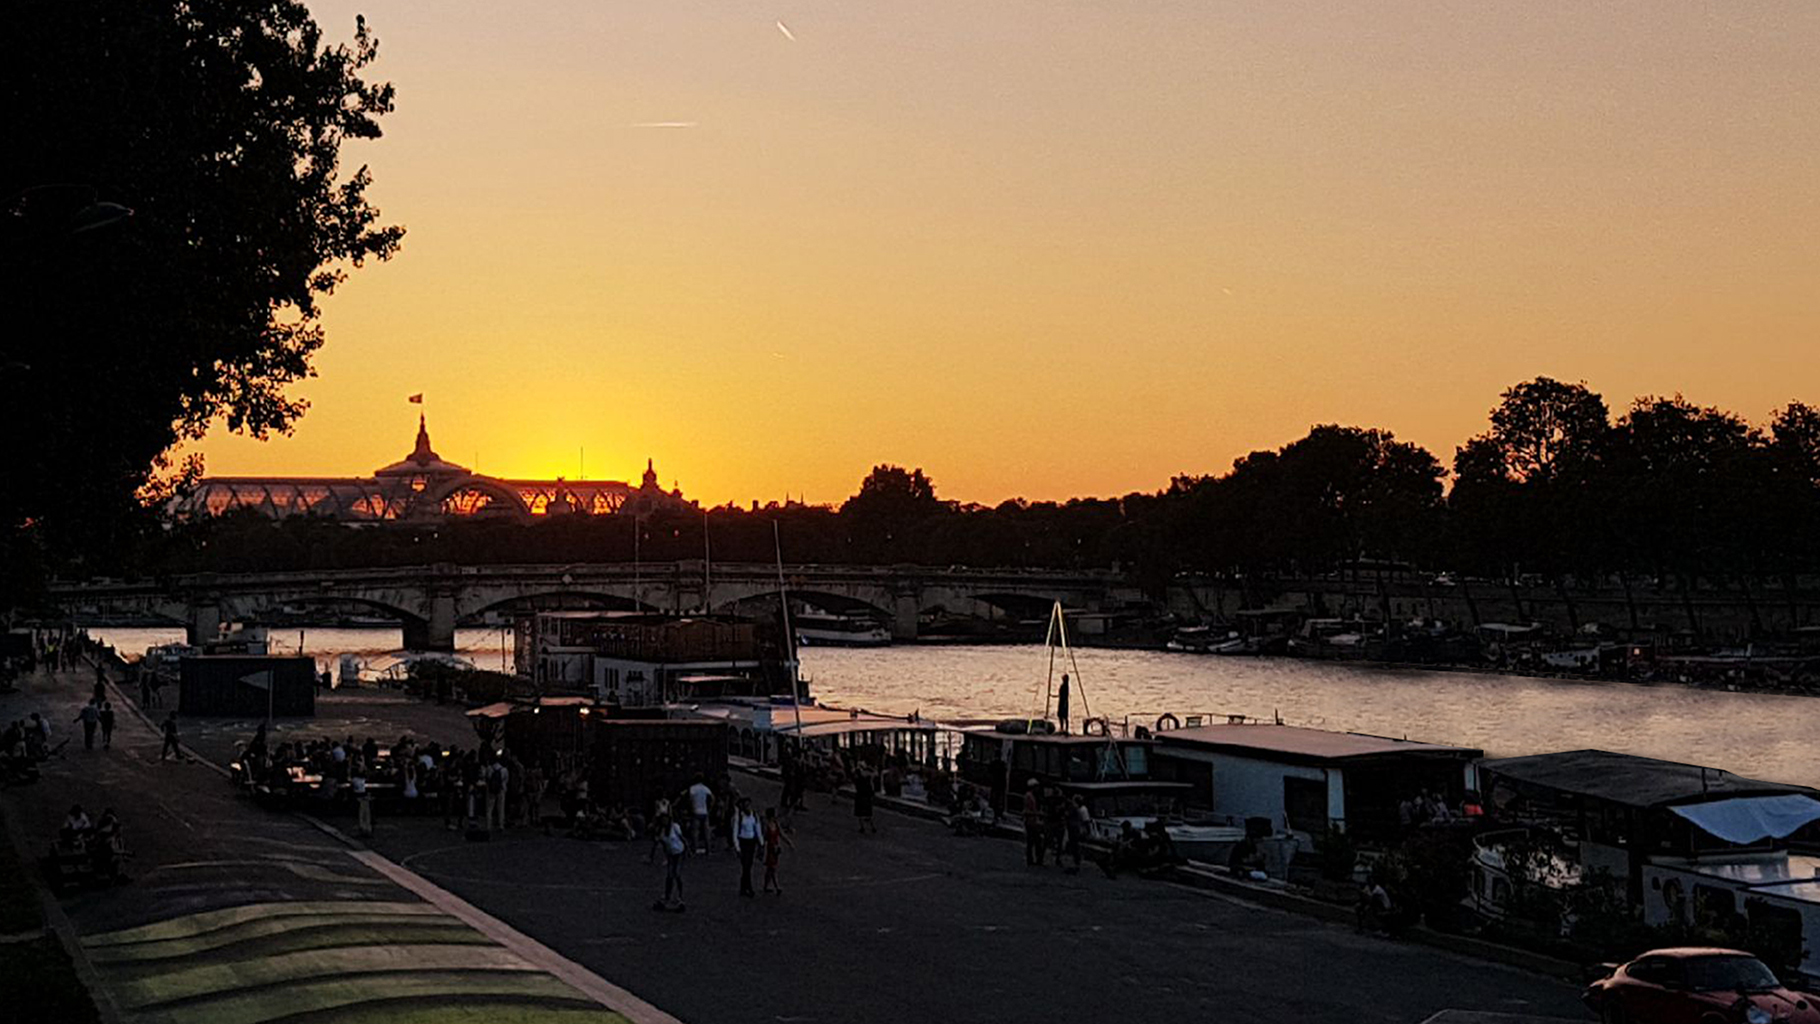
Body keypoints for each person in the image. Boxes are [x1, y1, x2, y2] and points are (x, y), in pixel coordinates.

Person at [654, 812, 686, 911]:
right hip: (670, 854)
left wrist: (688, 850)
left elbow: (682, 838)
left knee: (676, 873)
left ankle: (680, 894)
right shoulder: (661, 831)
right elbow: (663, 844)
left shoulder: (675, 827)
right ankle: (668, 894)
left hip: (679, 852)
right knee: (669, 875)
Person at [733, 797, 763, 897]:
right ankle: (748, 887)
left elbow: (758, 830)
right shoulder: (739, 817)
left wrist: (761, 843)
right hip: (743, 842)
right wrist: (737, 848)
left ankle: (743, 887)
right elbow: (735, 832)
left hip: (751, 842)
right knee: (746, 865)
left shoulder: (754, 815)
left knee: (748, 865)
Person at [761, 806, 793, 895]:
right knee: (772, 868)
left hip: (775, 848)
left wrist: (789, 842)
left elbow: (782, 835)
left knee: (769, 869)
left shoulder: (776, 824)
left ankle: (766, 885)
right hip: (770, 848)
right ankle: (776, 886)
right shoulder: (767, 825)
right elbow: (764, 837)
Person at [684, 774, 713, 854]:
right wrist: (709, 808)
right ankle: (708, 849)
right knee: (706, 831)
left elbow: (689, 799)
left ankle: (695, 848)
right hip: (705, 811)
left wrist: (690, 807)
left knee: (695, 831)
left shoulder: (692, 789)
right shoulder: (705, 788)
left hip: (695, 811)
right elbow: (712, 798)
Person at [1022, 780, 1045, 866]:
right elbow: (1027, 810)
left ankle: (1034, 859)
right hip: (1030, 821)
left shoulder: (1031, 796)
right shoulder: (1029, 796)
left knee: (1034, 841)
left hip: (1033, 821)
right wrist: (1037, 813)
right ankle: (1032, 859)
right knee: (1033, 841)